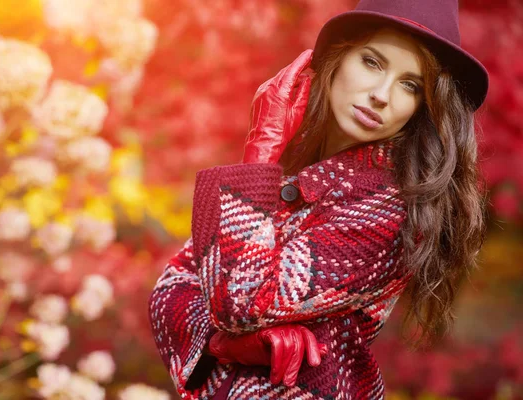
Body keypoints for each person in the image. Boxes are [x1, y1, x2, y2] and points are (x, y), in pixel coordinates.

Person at [148, 0, 490, 398]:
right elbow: (170, 288)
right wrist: (219, 343)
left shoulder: (389, 208)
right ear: (337, 58)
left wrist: (260, 150)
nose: (381, 95)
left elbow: (239, 303)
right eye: (373, 62)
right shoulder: (299, 166)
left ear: (423, 107)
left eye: (410, 85)